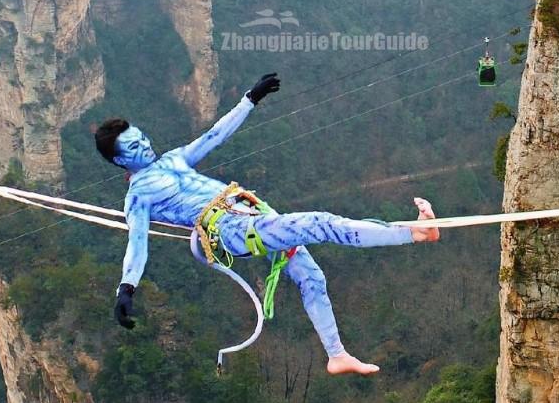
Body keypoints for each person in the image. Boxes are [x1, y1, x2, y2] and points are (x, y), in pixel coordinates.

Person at [96, 72, 441, 377]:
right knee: (320, 224)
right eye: (134, 146)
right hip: (232, 230)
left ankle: (337, 356)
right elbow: (137, 244)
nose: (144, 144)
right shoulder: (138, 196)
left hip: (251, 211)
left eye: (141, 137)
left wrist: (250, 100)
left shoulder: (174, 159)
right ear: (120, 160)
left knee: (310, 275)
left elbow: (215, 136)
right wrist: (126, 289)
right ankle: (415, 233)